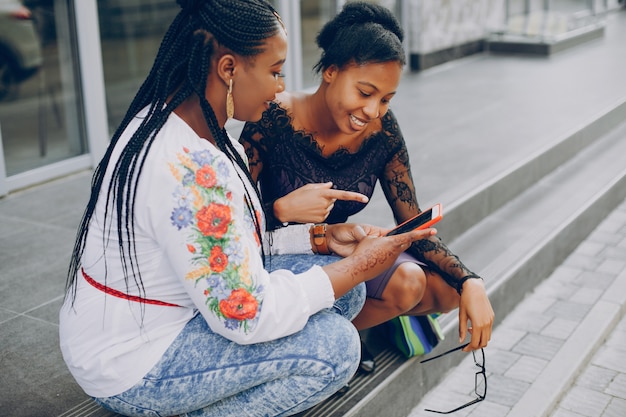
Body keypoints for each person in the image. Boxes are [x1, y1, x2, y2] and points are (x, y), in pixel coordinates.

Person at [58, 1, 435, 416]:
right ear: (228, 69)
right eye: (275, 71)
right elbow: (244, 315)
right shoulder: (191, 169)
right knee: (337, 348)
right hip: (132, 362)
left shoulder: (192, 127)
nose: (280, 86)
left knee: (347, 298)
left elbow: (234, 246)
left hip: (166, 314)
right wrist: (358, 265)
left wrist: (320, 238)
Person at [240, 1, 494, 367]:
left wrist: (471, 280)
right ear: (330, 71)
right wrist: (280, 210)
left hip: (344, 250)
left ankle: (339, 336)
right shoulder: (273, 117)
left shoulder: (382, 131)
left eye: (386, 99)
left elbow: (413, 218)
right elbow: (228, 222)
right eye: (364, 92)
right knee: (393, 284)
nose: (373, 110)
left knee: (430, 286)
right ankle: (310, 345)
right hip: (284, 258)